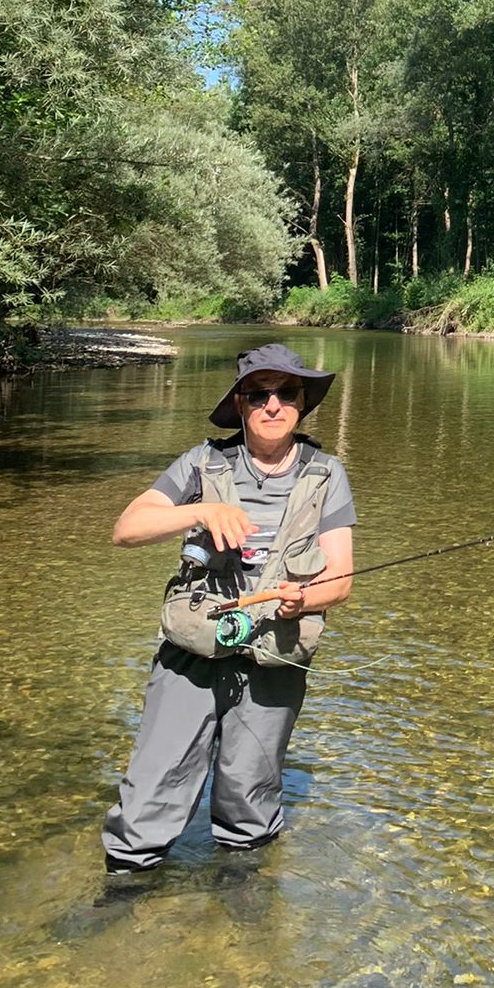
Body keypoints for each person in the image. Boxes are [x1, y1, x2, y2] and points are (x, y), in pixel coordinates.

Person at [102, 343, 356, 874]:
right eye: (258, 394)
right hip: (192, 652)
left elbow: (341, 577)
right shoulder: (200, 463)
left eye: (286, 393)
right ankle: (125, 885)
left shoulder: (326, 474)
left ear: (302, 402)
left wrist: (303, 598)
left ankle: (241, 893)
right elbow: (126, 530)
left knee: (249, 794)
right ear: (239, 404)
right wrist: (201, 508)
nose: (272, 405)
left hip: (276, 654)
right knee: (156, 781)